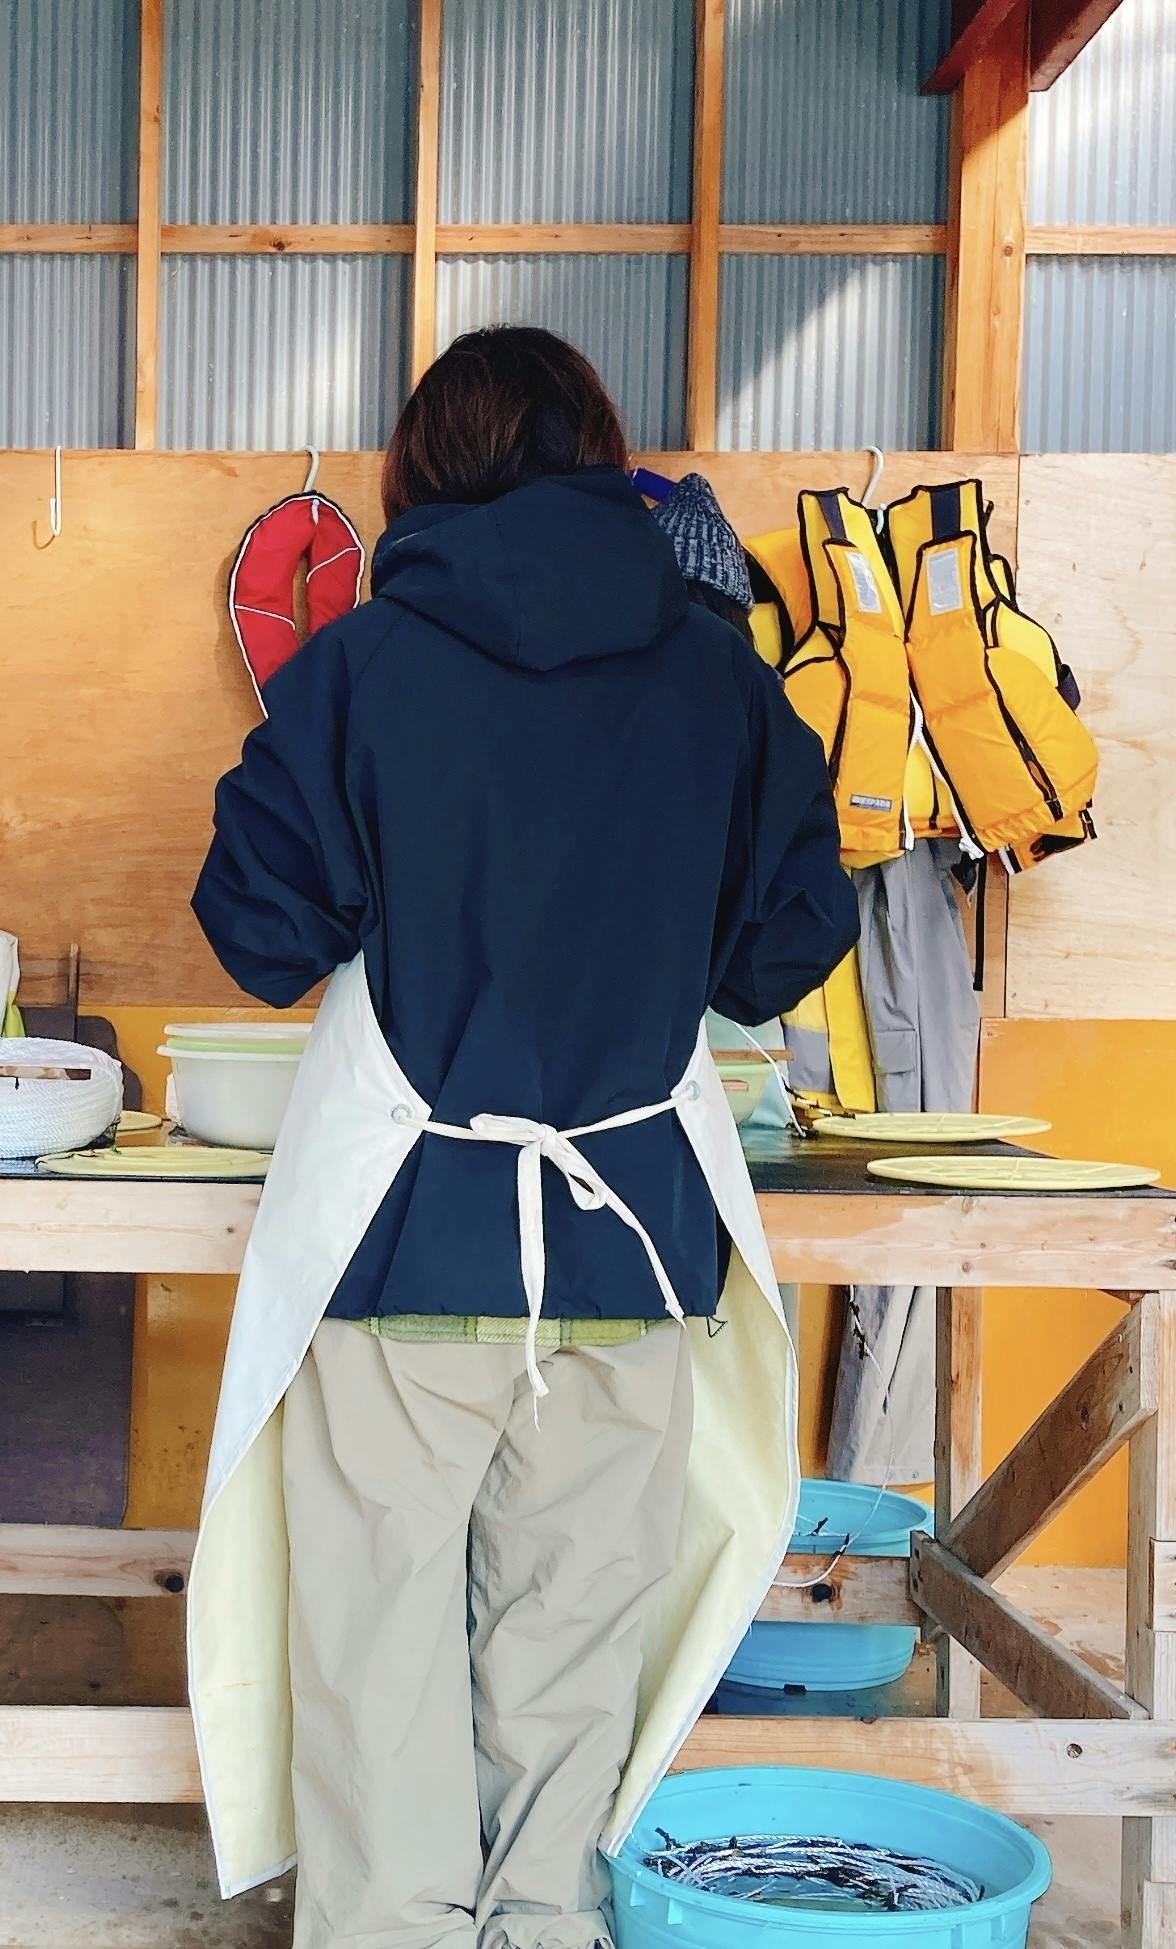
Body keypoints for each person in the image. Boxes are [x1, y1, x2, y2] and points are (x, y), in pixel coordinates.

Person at [191, 326, 858, 1949]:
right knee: (573, 1648)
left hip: (406, 1239)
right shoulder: (719, 672)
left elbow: (257, 932)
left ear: (418, 472)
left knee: (378, 1647)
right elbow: (787, 941)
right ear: (600, 456)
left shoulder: (359, 666)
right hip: (632, 1247)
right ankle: (542, 1924)